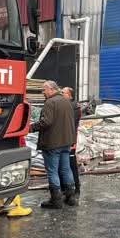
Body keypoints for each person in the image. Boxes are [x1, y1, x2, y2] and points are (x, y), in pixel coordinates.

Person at [31, 81, 77, 209]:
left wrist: (31, 127)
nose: (43, 93)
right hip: (66, 142)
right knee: (65, 169)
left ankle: (56, 200)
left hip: (52, 143)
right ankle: (71, 197)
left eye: (43, 90)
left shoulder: (50, 102)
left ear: (51, 89)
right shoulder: (66, 102)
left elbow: (46, 122)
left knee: (52, 171)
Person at [62, 87, 82, 199]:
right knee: (65, 165)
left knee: (71, 165)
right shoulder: (67, 106)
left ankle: (76, 188)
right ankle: (66, 188)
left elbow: (71, 126)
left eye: (63, 93)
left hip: (70, 141)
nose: (61, 94)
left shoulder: (74, 107)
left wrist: (72, 142)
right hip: (64, 140)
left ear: (70, 95)